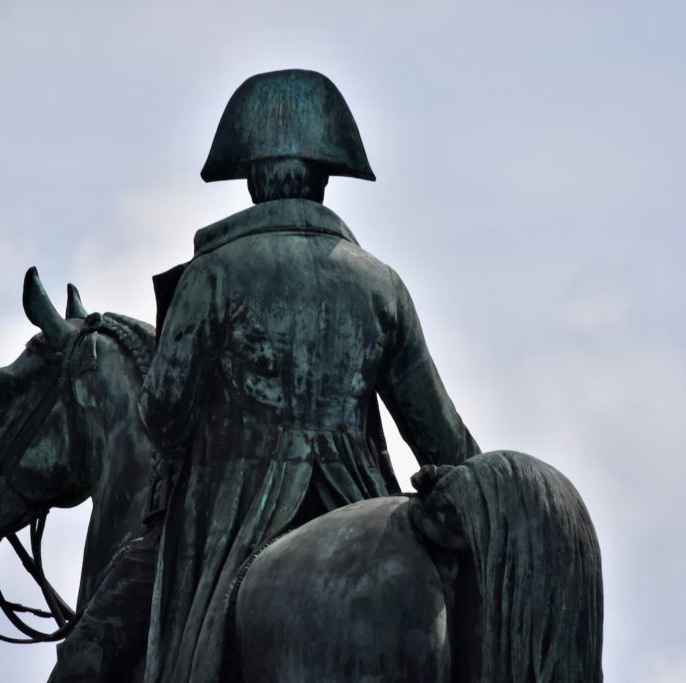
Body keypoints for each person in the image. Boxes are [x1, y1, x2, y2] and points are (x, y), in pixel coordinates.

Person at [137, 68, 480, 683]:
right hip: (361, 501)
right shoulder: (381, 283)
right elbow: (444, 441)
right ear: (327, 176)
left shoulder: (211, 274)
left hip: (233, 520)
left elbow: (161, 419)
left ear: (250, 177)